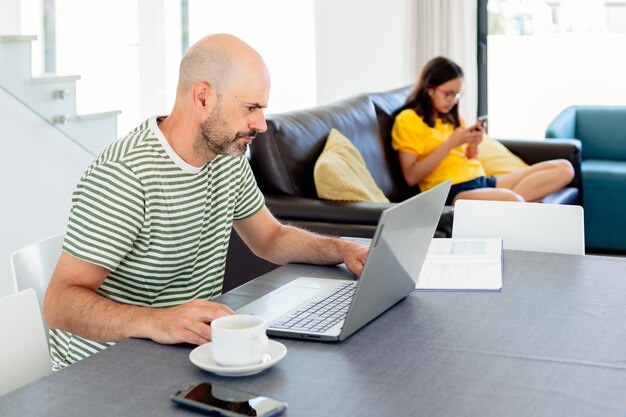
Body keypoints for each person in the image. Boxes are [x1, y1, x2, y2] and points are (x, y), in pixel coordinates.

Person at [43, 34, 368, 370]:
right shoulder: (125, 175)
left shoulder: (227, 155)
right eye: (250, 108)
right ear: (201, 97)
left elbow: (270, 238)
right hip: (107, 370)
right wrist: (158, 321)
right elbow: (59, 304)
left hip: (186, 353)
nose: (261, 124)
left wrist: (343, 249)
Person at [391, 56, 574, 206]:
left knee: (564, 168)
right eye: (448, 93)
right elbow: (411, 176)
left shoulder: (450, 117)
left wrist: (473, 145)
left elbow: (468, 158)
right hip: (452, 191)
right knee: (512, 199)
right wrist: (451, 143)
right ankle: (510, 205)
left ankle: (507, 207)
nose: (453, 100)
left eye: (457, 94)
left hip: (481, 180)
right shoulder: (408, 119)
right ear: (429, 89)